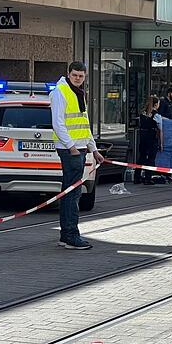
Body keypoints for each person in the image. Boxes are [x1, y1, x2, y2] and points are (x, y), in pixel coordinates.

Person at [50, 62, 105, 250]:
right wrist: (71, 147)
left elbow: (84, 124)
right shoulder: (60, 92)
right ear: (68, 74)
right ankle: (71, 235)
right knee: (72, 193)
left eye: (81, 76)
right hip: (71, 149)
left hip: (80, 147)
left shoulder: (78, 93)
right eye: (75, 75)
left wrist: (94, 148)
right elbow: (58, 123)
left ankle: (67, 235)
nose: (78, 79)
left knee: (71, 191)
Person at [137, 96, 164, 185]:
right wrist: (161, 143)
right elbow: (160, 130)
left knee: (141, 157)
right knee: (151, 159)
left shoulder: (142, 113)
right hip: (152, 138)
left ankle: (137, 177)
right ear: (156, 105)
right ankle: (147, 178)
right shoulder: (156, 115)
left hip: (143, 137)